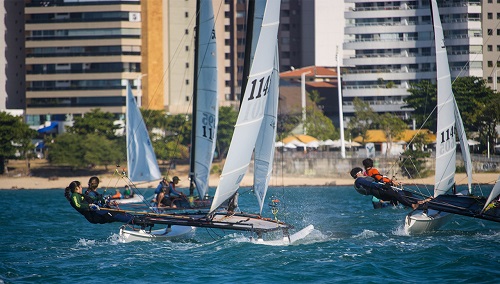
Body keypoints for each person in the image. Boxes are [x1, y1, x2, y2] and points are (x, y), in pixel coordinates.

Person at [350, 167, 419, 209]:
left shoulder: (360, 180)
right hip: (378, 191)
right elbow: (370, 184)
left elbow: (376, 181)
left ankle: (417, 202)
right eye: (361, 172)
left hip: (379, 192)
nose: (363, 173)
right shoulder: (359, 180)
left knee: (403, 193)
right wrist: (382, 186)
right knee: (396, 194)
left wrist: (390, 183)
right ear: (357, 174)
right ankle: (412, 205)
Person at [65, 181, 130, 224]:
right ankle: (135, 220)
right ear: (77, 188)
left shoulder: (81, 195)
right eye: (81, 187)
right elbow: (78, 205)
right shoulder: (74, 196)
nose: (82, 188)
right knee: (115, 214)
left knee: (118, 213)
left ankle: (136, 220)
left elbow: (94, 198)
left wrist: (107, 201)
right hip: (93, 216)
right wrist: (89, 206)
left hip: (96, 214)